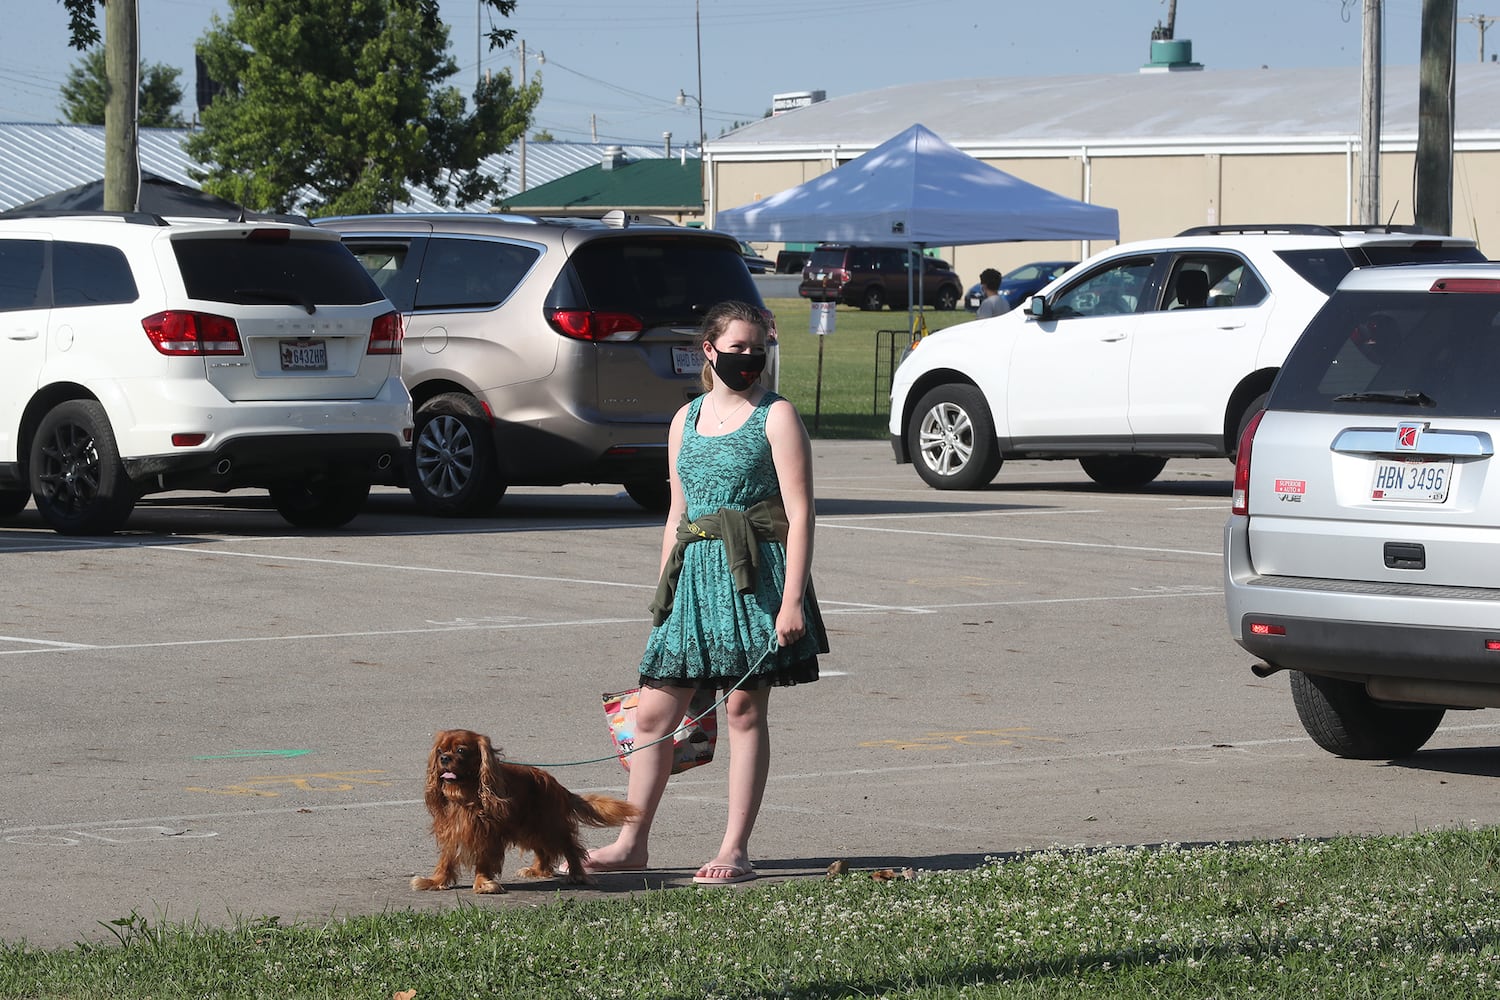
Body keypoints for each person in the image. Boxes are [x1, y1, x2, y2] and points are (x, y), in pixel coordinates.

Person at [579, 300, 828, 885]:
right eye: (736, 348)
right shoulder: (684, 418)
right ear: (708, 351)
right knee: (653, 716)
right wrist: (665, 585)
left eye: (756, 348)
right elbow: (676, 511)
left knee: (742, 710)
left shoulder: (777, 415)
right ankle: (632, 842)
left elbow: (800, 511)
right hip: (691, 578)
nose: (748, 359)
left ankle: (734, 849)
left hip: (753, 575)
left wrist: (791, 600)